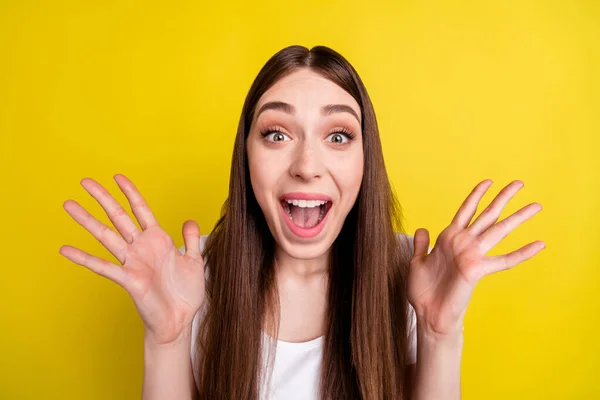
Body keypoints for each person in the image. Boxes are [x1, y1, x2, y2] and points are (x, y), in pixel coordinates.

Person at [59, 45, 545, 400]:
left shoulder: (411, 272)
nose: (307, 164)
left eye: (337, 135)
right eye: (276, 133)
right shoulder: (190, 277)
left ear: (365, 160)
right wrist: (166, 339)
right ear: (245, 159)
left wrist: (440, 335)